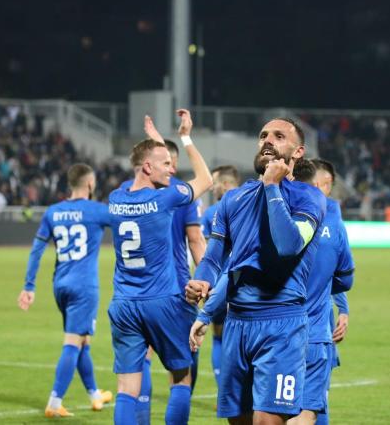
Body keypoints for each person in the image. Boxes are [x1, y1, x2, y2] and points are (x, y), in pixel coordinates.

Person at [186, 117, 326, 424]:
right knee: (238, 420)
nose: (268, 140)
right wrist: (202, 285)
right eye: (263, 135)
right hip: (237, 323)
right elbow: (214, 258)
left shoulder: (308, 197)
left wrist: (272, 186)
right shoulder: (233, 199)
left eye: (279, 136)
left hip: (282, 324)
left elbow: (288, 245)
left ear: (298, 151)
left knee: (266, 421)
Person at [108, 109, 212, 425]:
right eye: (166, 164)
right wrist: (186, 138)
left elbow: (146, 168)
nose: (172, 169)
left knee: (126, 388)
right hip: (163, 301)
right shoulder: (167, 198)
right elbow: (206, 180)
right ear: (148, 167)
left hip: (124, 304)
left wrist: (156, 143)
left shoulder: (115, 197)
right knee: (181, 378)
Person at [17, 163, 113, 418]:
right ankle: (55, 402)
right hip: (84, 287)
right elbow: (127, 226)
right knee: (73, 342)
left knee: (82, 340)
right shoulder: (97, 210)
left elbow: (37, 250)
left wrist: (29, 286)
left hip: (60, 285)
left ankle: (94, 395)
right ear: (90, 184)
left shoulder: (53, 212)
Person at [287, 159, 354, 425]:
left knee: (294, 402)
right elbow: (339, 274)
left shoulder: (287, 213)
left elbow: (328, 269)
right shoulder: (331, 220)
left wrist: (343, 308)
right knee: (313, 400)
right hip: (315, 324)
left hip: (283, 323)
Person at [200, 164, 241, 390]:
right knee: (242, 339)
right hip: (244, 284)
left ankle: (224, 392)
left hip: (217, 285)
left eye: (215, 183)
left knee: (218, 336)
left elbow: (207, 253)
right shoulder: (252, 205)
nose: (212, 187)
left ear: (225, 185)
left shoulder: (211, 213)